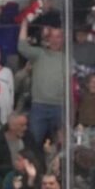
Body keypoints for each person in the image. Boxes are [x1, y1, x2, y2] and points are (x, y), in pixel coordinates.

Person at [18, 10, 65, 144]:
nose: (55, 40)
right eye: (52, 37)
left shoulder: (68, 57)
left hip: (60, 107)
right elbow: (22, 47)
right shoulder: (39, 54)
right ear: (47, 39)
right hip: (39, 106)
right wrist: (24, 23)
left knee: (61, 145)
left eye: (58, 37)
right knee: (33, 143)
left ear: (63, 39)